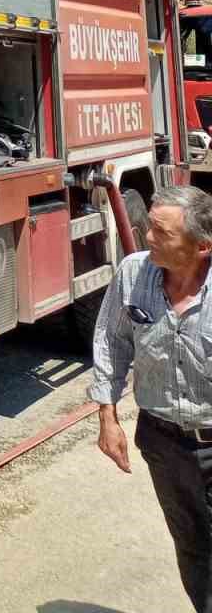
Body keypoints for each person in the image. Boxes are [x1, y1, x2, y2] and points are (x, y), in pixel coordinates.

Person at [92, 183, 212, 611]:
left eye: (162, 232)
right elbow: (111, 341)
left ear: (201, 246)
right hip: (164, 443)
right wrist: (107, 417)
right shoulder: (132, 273)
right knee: (194, 547)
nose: (147, 238)